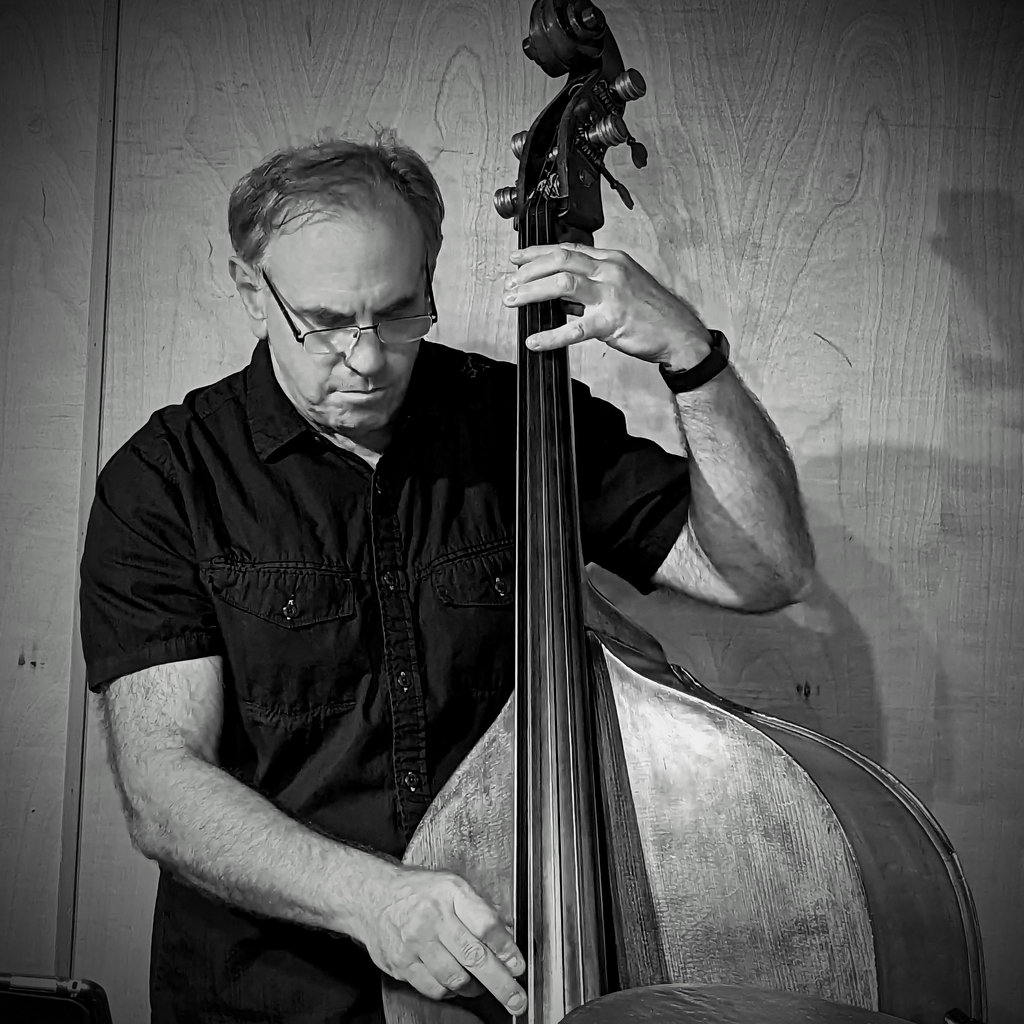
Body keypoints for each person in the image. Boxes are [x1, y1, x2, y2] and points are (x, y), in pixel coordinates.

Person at [79, 127, 815, 1024]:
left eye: (397, 313)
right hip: (266, 998)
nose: (366, 358)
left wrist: (690, 355)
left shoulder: (524, 419)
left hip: (509, 986)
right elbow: (163, 787)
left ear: (429, 274)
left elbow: (764, 573)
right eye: (326, 323)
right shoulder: (165, 479)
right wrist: (373, 900)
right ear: (249, 289)